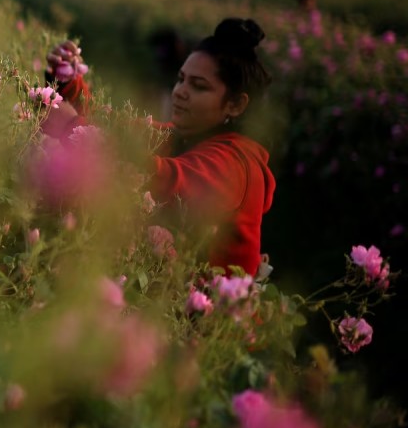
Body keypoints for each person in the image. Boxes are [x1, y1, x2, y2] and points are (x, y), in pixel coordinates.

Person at [45, 18, 276, 276]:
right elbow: (115, 127)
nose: (179, 92)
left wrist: (71, 127)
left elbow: (159, 177)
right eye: (181, 79)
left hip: (209, 302)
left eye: (199, 86)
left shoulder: (237, 166)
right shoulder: (185, 135)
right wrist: (67, 79)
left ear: (235, 105)